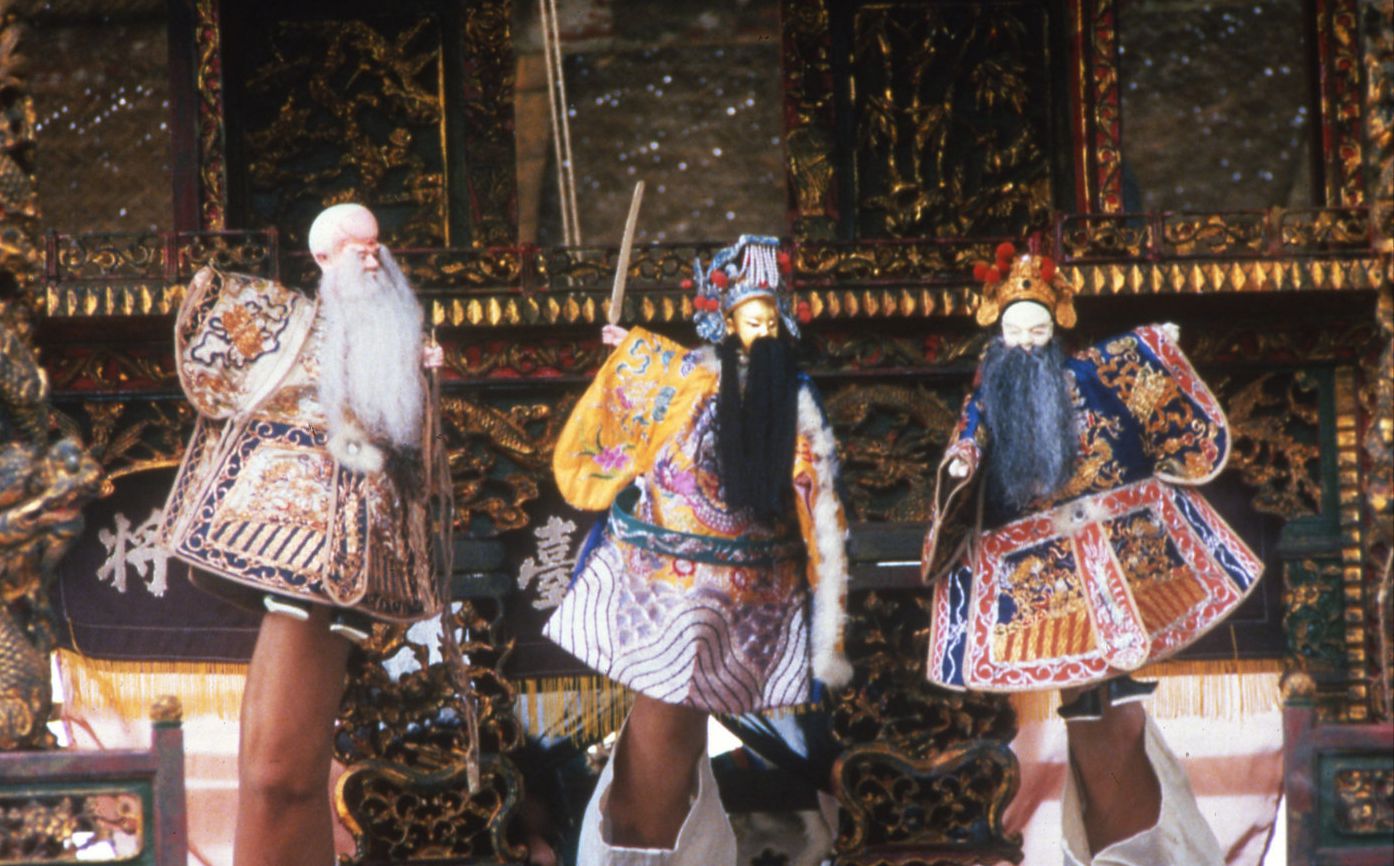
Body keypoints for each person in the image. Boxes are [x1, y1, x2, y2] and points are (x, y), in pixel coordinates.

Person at [920, 241, 1264, 865]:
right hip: (1037, 562)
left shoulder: (1086, 373)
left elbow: (1127, 360)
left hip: (1112, 538)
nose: (1027, 343)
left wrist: (1158, 344)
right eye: (1016, 332)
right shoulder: (991, 395)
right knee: (1082, 685)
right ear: (998, 333)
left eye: (1038, 331)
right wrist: (962, 460)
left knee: (1117, 681)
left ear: (1056, 330)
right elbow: (969, 436)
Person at [545, 234, 853, 866]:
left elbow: (817, 487)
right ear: (726, 322)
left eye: (771, 320)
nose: (762, 331)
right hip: (671, 580)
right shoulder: (694, 377)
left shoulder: (792, 395)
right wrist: (626, 353)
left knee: (685, 725)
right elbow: (650, 377)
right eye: (751, 320)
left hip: (753, 587)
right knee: (664, 716)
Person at [159, 203, 448, 866]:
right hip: (288, 535)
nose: (370, 257)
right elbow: (218, 350)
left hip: (365, 550)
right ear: (322, 258)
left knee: (288, 776)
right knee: (275, 777)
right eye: (355, 247)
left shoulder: (394, 338)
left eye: (375, 246)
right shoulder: (290, 322)